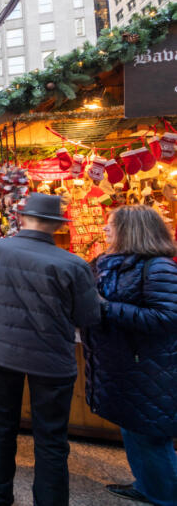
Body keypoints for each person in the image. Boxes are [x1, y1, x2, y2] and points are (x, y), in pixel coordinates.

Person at [0, 193, 100, 506]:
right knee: (51, 439)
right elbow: (88, 317)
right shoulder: (74, 265)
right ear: (56, 225)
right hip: (51, 359)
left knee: (0, 426)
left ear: (21, 218)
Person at [85, 205, 177, 506]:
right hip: (125, 364)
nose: (105, 229)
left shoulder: (159, 267)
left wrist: (106, 308)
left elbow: (166, 318)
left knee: (151, 435)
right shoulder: (109, 263)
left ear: (130, 229)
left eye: (111, 224)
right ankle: (148, 485)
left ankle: (165, 495)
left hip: (150, 368)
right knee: (135, 430)